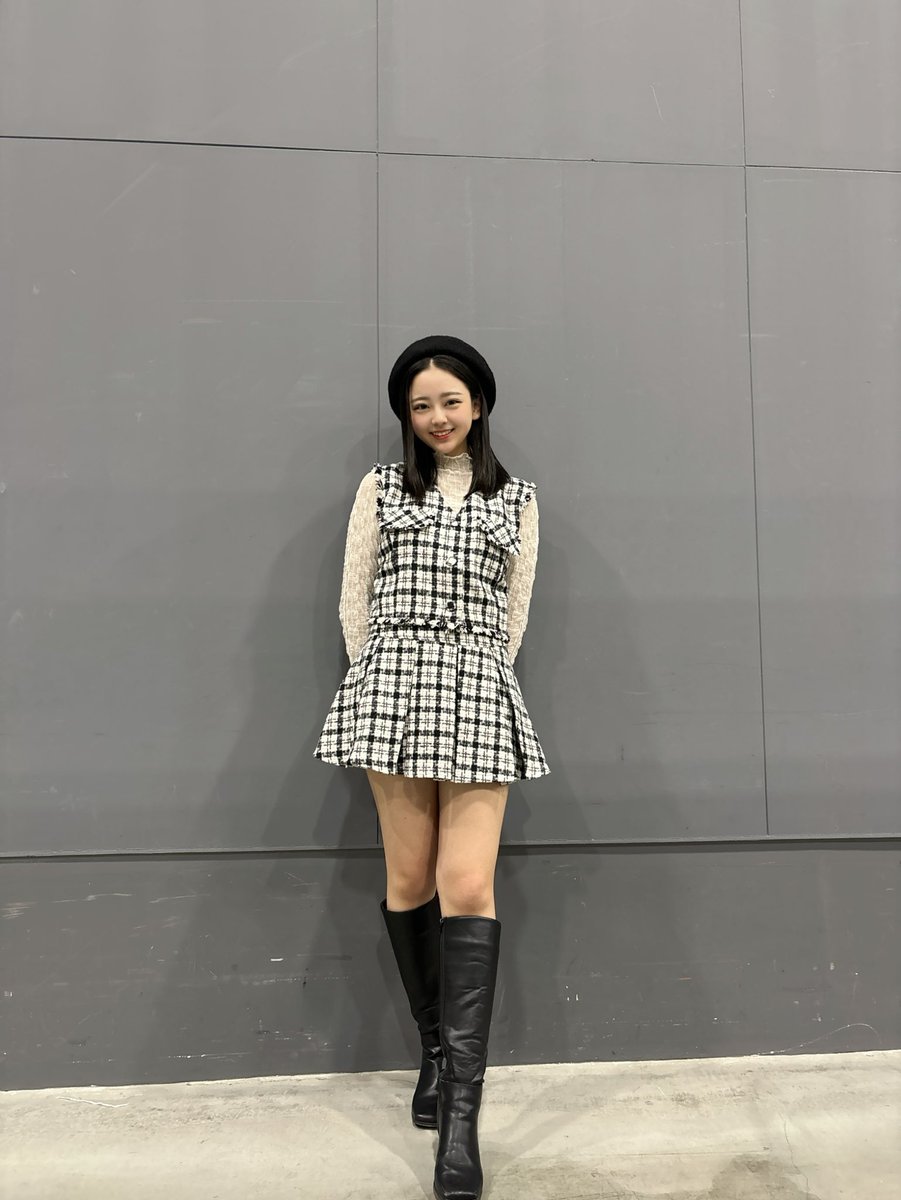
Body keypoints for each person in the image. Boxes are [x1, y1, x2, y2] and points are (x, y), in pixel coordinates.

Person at [314, 334, 549, 1200]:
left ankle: (459, 1118)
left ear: (478, 403)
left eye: (450, 400)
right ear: (405, 416)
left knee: (467, 884)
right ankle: (435, 1051)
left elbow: (515, 613)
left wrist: (474, 671)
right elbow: (355, 600)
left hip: (479, 686)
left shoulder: (517, 499)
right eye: (420, 406)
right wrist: (382, 678)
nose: (437, 417)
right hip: (393, 684)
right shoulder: (381, 489)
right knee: (409, 879)